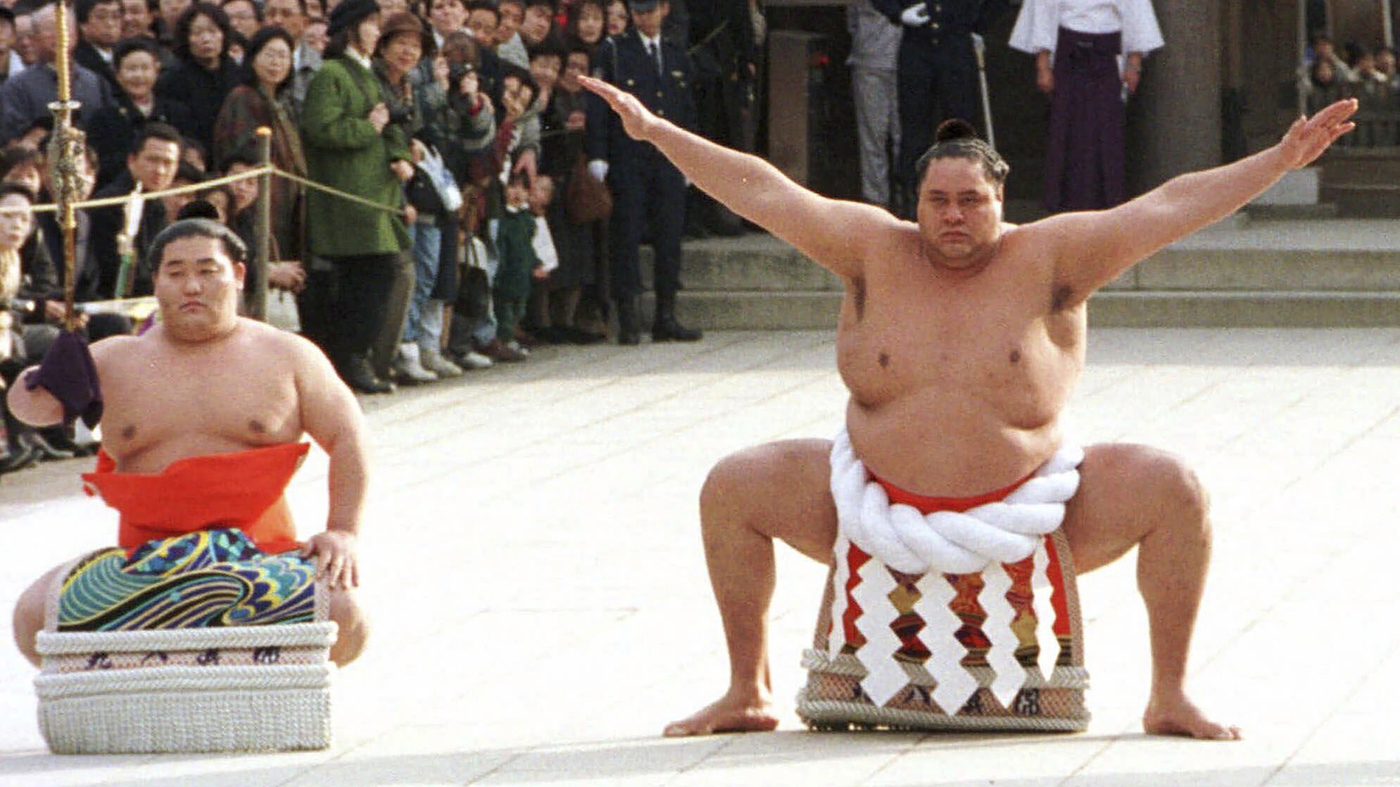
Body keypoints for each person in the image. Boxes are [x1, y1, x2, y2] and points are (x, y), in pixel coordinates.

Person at [582, 66, 1360, 739]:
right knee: (734, 484)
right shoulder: (869, 249)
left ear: (1000, 199)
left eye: (971, 200)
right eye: (938, 200)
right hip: (873, 516)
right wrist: (654, 132)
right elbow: (762, 188)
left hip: (1034, 522)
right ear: (914, 201)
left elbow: (1167, 206)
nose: (953, 215)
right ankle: (746, 688)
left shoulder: (1054, 257)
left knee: (1175, 487)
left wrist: (1278, 162)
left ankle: (1170, 693)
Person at [7, 218, 370, 666]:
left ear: (237, 275)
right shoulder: (114, 359)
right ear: (155, 281)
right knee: (34, 619)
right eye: (175, 273)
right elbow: (33, 410)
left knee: (345, 615)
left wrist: (343, 531)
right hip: (142, 560)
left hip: (260, 552)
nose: (191, 286)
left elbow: (349, 435)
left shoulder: (288, 355)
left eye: (207, 270)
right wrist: (41, 375)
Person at [300, 0, 413, 394]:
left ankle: (355, 359)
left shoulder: (366, 72)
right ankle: (351, 360)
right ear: (351, 30)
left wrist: (399, 155)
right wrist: (369, 129)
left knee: (373, 277)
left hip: (375, 194)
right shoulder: (331, 74)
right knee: (370, 277)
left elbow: (391, 120)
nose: (376, 33)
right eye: (370, 25)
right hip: (348, 197)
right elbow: (321, 128)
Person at [585, 0, 699, 345]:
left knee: (669, 236)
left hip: (667, 158)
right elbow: (599, 106)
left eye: (649, 10)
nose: (643, 17)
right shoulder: (616, 50)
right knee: (627, 234)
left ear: (663, 10)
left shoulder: (676, 52)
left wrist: (691, 158)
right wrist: (598, 153)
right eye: (638, 11)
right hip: (628, 156)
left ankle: (666, 314)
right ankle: (629, 317)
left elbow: (685, 110)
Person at [1009, 0, 1163, 213]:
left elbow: (1136, 11)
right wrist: (1043, 65)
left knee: (1107, 129)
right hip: (1068, 51)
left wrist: (1134, 63)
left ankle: (1109, 202)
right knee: (1065, 127)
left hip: (1106, 52)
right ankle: (1062, 204)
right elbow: (1043, 10)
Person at [871, 0, 1007, 217]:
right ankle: (913, 205)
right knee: (914, 131)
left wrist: (976, 24)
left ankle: (966, 199)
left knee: (961, 130)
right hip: (916, 46)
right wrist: (898, 14)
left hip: (956, 46)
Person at [213, 25, 308, 262]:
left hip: (287, 199)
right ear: (253, 59)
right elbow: (240, 154)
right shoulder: (243, 97)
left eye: (283, 55)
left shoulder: (282, 103)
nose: (276, 62)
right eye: (269, 54)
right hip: (257, 200)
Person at [87, 121, 182, 299]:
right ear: (132, 160)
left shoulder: (157, 204)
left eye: (168, 163)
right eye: (152, 160)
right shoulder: (111, 203)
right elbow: (112, 271)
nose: (160, 171)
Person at [86, 38, 195, 190]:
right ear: (118, 74)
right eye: (131, 69)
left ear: (156, 71)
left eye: (145, 68)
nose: (138, 75)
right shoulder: (104, 118)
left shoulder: (176, 112)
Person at [0, 1, 115, 146]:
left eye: (65, 27)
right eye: (49, 29)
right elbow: (12, 139)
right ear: (35, 38)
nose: (59, 34)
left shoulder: (96, 82)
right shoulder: (16, 86)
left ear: (76, 33)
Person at [154, 2, 242, 153]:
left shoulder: (238, 74)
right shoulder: (172, 80)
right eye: (197, 32)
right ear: (186, 38)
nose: (206, 39)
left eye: (212, 31)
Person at [847, 0, 900, 208]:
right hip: (870, 58)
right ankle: (877, 200)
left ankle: (903, 195)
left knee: (901, 137)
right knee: (872, 135)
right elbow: (852, 18)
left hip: (903, 58)